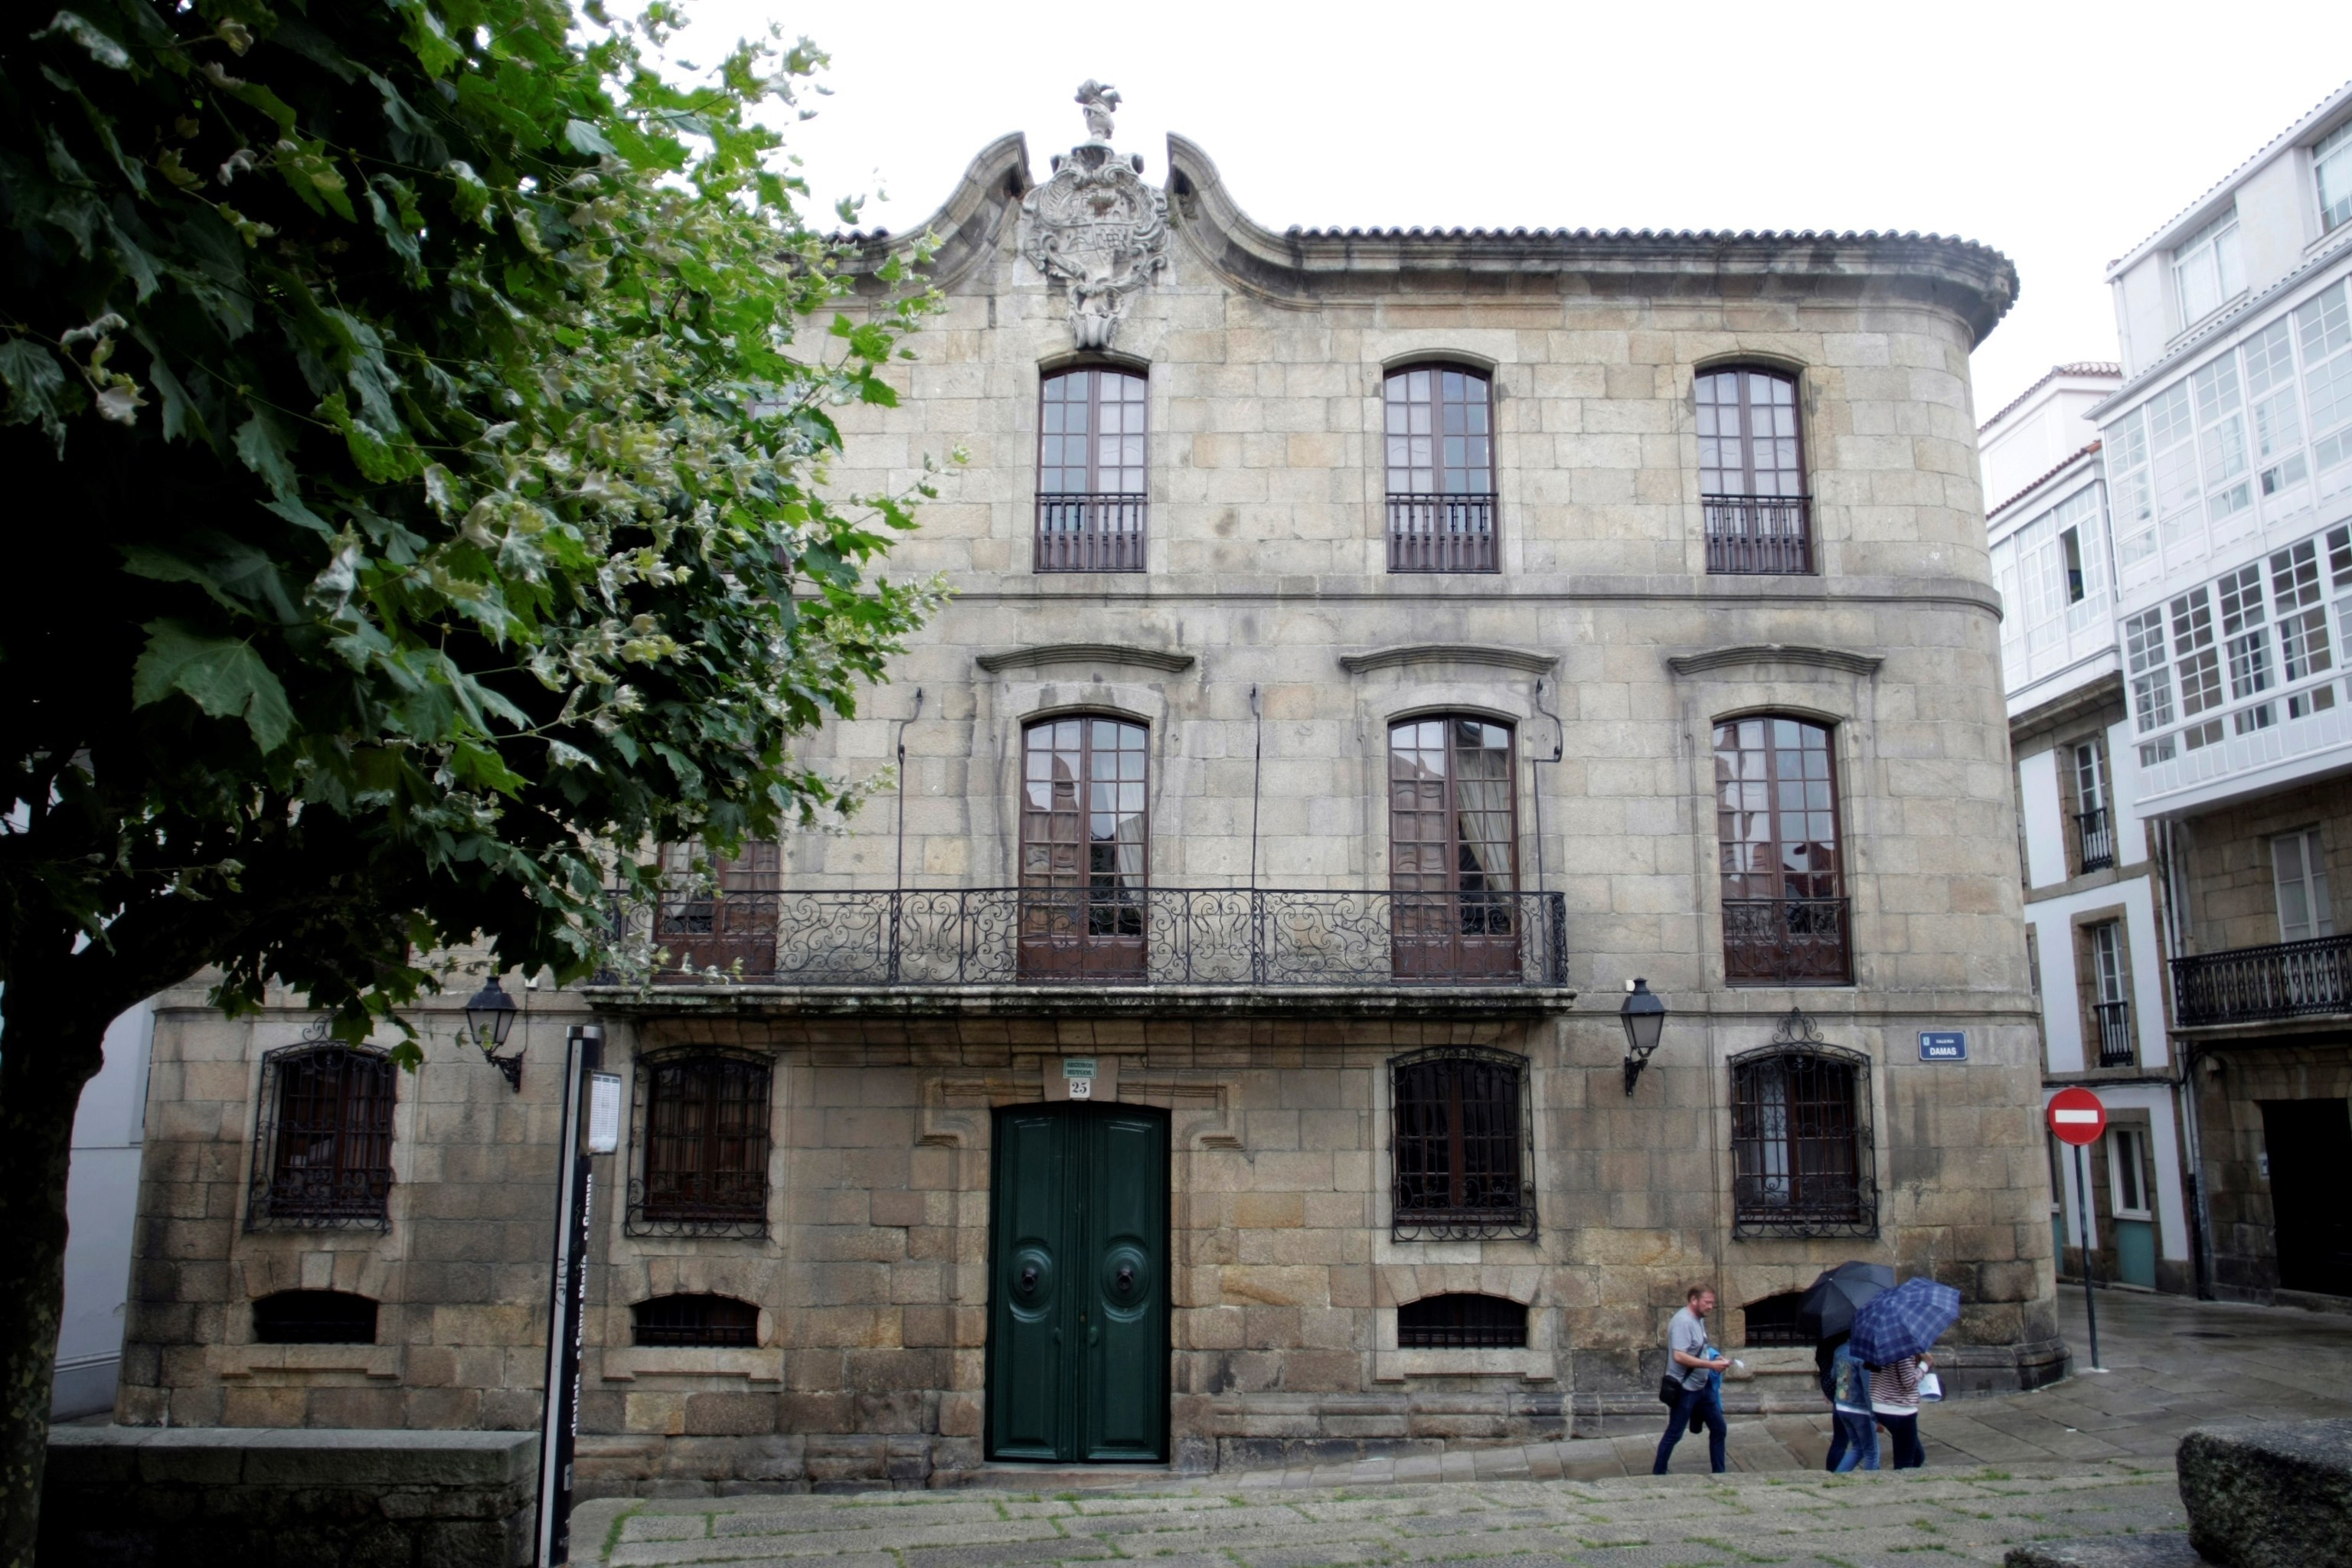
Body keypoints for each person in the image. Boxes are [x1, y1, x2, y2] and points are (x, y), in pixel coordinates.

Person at [1652, 1284, 1731, 1475]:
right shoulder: (1683, 1322)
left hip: (1702, 1388)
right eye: (1707, 1303)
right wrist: (1711, 1366)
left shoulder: (1699, 1319)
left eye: (1713, 1303)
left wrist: (1714, 1358)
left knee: (1719, 1428)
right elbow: (1679, 1356)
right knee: (1675, 1433)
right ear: (1694, 1300)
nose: (1711, 1307)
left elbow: (1700, 1347)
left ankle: (1720, 1473)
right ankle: (1658, 1473)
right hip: (1685, 1389)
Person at [1824, 1334, 1878, 1472]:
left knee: (1857, 1448)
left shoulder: (1840, 1350)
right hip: (1859, 1409)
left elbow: (1834, 1375)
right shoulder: (1864, 1355)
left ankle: (1838, 1477)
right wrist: (1875, 1416)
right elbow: (1868, 1389)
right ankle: (1871, 1483)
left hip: (1842, 1405)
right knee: (1871, 1452)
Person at [1869, 1350, 1932, 1469]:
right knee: (1905, 1463)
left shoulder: (1879, 1346)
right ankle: (1902, 1486)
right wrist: (1925, 1364)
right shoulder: (1903, 1351)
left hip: (1881, 1407)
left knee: (1918, 1456)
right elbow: (1909, 1382)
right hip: (1900, 1410)